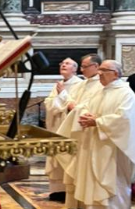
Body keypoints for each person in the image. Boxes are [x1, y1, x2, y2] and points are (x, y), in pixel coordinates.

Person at [57, 60, 135, 209]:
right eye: (100, 70)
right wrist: (85, 116)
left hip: (112, 150)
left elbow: (125, 120)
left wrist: (98, 122)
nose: (99, 73)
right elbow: (84, 108)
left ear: (115, 74)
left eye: (104, 70)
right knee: (92, 185)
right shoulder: (101, 91)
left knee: (112, 187)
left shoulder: (125, 93)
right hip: (94, 145)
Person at [59, 53, 103, 209]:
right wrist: (69, 103)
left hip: (88, 135)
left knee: (85, 175)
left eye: (85, 66)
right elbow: (72, 102)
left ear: (96, 67)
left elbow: (90, 109)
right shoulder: (82, 84)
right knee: (73, 174)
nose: (82, 70)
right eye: (82, 66)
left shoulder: (101, 86)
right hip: (77, 135)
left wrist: (72, 105)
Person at [43, 58, 82, 202]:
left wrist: (61, 98)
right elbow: (49, 103)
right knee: (55, 159)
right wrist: (59, 100)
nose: (63, 65)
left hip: (69, 127)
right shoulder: (58, 84)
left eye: (67, 64)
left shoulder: (80, 84)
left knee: (67, 157)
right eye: (62, 63)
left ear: (75, 69)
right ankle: (57, 191)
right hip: (56, 126)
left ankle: (68, 191)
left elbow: (75, 105)